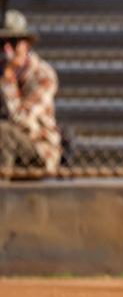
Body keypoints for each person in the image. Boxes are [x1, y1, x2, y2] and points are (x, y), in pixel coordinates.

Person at [0, 9, 61, 176]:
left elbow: (20, 119)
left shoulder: (43, 75)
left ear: (26, 45)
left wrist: (8, 78)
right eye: (2, 44)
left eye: (13, 43)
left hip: (38, 148)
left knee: (4, 131)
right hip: (8, 147)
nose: (7, 50)